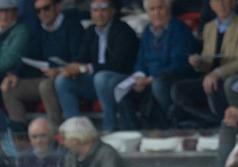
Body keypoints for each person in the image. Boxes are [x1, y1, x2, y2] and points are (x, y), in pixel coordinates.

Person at [53, 0, 139, 132]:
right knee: (62, 81)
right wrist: (71, 68)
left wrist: (85, 68)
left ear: (112, 11)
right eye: (95, 10)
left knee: (101, 77)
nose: (99, 14)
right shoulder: (90, 31)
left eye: (103, 9)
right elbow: (81, 58)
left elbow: (118, 64)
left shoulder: (123, 30)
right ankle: (74, 130)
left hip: (122, 80)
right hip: (97, 82)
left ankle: (109, 128)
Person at [0, 0, 83, 129]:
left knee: (45, 86)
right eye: (38, 11)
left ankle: (55, 134)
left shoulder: (72, 26)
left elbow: (80, 60)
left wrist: (60, 71)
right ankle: (20, 137)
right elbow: (27, 56)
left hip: (68, 77)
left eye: (46, 8)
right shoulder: (38, 28)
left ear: (58, 7)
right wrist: (14, 74)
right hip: (45, 77)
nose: (42, 13)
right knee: (9, 88)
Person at [117, 0, 197, 130]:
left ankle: (171, 124)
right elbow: (141, 61)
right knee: (124, 90)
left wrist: (151, 78)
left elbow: (179, 64)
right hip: (149, 79)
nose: (157, 13)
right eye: (152, 9)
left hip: (173, 77)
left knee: (158, 84)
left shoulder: (179, 29)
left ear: (168, 9)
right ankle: (132, 132)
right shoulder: (147, 32)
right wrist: (139, 77)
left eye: (160, 8)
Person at [171, 0, 238, 127]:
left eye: (225, 0)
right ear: (211, 5)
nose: (221, 4)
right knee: (179, 90)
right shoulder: (209, 28)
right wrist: (198, 62)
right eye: (217, 1)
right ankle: (211, 120)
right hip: (208, 79)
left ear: (233, 2)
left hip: (228, 78)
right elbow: (207, 62)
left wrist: (217, 73)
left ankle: (219, 122)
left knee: (216, 87)